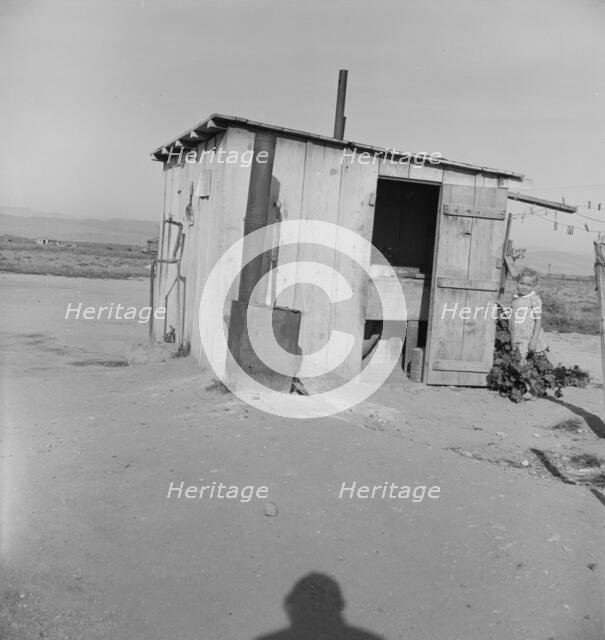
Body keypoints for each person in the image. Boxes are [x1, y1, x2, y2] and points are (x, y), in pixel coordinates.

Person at [509, 267, 547, 361]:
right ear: (517, 283)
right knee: (516, 361)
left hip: (527, 338)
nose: (524, 287)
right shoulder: (515, 299)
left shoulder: (534, 299)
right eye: (522, 283)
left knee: (520, 363)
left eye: (529, 285)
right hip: (515, 336)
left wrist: (534, 340)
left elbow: (538, 321)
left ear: (533, 286)